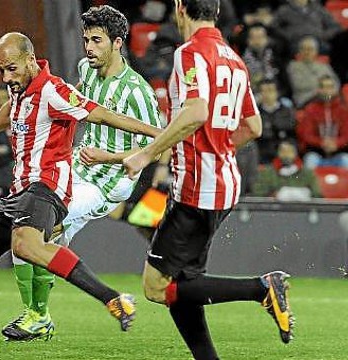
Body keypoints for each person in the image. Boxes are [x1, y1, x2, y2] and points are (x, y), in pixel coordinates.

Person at [0, 32, 161, 357]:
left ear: (30, 60)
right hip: (19, 192)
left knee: (26, 245)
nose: (6, 78)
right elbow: (6, 112)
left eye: (11, 69)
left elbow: (104, 115)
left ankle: (112, 298)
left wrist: (162, 134)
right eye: (1, 71)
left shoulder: (54, 91)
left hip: (47, 189)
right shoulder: (20, 90)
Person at [123, 1, 294, 359]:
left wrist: (147, 153)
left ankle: (260, 288)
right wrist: (216, 149)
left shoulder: (189, 53)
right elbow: (254, 126)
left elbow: (197, 112)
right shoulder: (234, 58)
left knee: (155, 287)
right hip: (225, 184)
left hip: (196, 189)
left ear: (180, 8)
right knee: (187, 284)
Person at [1, 5, 164, 342]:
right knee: (31, 235)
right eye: (86, 39)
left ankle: (39, 315)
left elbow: (160, 143)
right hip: (75, 169)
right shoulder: (86, 71)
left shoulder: (137, 91)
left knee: (36, 231)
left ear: (118, 43)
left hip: (109, 183)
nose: (89, 47)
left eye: (97, 40)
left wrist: (112, 156)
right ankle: (38, 314)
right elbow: (73, 99)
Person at [298, 75, 348, 171]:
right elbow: (307, 134)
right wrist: (321, 143)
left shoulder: (344, 109)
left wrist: (336, 143)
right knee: (310, 160)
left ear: (335, 89)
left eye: (330, 87)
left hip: (338, 152)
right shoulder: (310, 109)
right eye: (323, 87)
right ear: (318, 90)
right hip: (316, 152)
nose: (327, 90)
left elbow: (347, 135)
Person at [252, 140, 322, 200]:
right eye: (283, 151)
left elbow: (317, 195)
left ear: (296, 153)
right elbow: (258, 194)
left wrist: (306, 194)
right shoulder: (267, 172)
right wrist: (273, 195)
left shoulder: (307, 173)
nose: (286, 154)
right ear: (277, 153)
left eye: (290, 151)